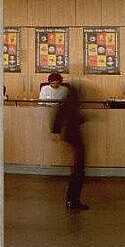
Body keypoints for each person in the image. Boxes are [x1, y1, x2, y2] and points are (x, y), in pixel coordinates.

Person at [52, 83, 89, 212]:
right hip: (75, 137)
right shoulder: (72, 103)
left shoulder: (68, 102)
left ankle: (72, 200)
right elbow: (74, 118)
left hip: (71, 137)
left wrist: (55, 132)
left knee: (78, 170)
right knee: (79, 170)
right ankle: (73, 200)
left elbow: (59, 116)